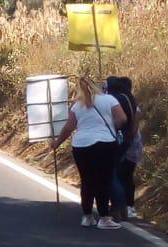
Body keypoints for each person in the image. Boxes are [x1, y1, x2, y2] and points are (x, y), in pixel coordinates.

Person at [52, 75, 128, 229]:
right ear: (97, 86)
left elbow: (69, 127)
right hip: (105, 143)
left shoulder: (77, 106)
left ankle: (87, 216)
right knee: (103, 180)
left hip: (81, 145)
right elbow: (122, 119)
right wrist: (113, 127)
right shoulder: (110, 100)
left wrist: (56, 143)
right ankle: (104, 218)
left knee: (87, 181)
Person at [106, 76, 142, 219]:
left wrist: (125, 143)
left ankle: (127, 206)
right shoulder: (129, 101)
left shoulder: (125, 102)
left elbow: (133, 127)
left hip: (129, 144)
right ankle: (125, 206)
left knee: (124, 175)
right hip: (131, 143)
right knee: (124, 175)